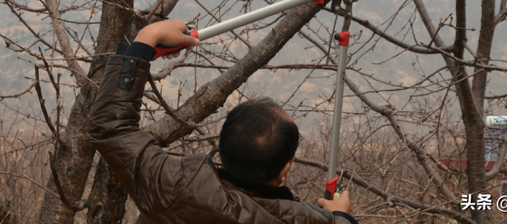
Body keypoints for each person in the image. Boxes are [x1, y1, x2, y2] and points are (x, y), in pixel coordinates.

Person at [88, 19, 358, 224]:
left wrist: (147, 38)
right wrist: (340, 218)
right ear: (283, 170)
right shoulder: (303, 220)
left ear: (223, 146)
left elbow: (112, 127)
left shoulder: (175, 187)